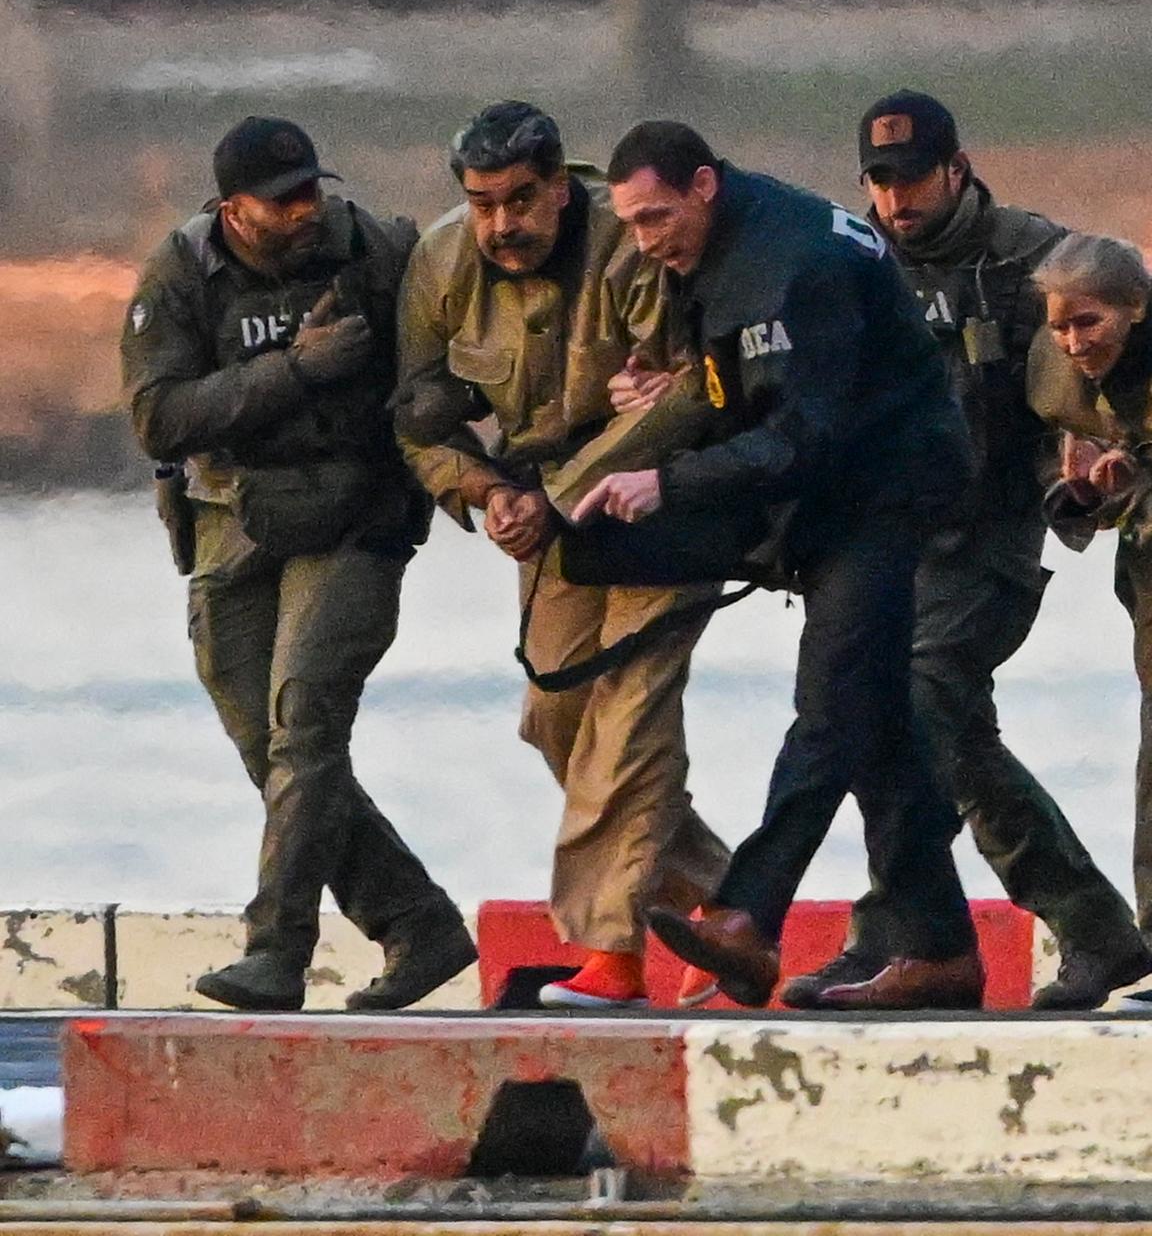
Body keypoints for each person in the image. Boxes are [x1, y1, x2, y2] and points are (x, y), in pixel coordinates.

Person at [581, 120, 982, 1010]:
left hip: (886, 488)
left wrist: (670, 481)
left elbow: (808, 436)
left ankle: (746, 917)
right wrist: (666, 394)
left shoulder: (797, 264)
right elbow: (743, 391)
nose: (646, 242)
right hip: (832, 496)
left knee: (831, 701)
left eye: (656, 218)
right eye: (632, 226)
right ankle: (943, 949)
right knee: (875, 726)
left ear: (703, 186)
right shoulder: (713, 253)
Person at [768, 92, 1148, 1009]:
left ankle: (954, 930)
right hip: (882, 542)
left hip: (990, 536)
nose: (897, 199)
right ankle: (954, 933)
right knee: (886, 716)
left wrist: (1092, 459)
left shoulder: (1030, 258)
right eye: (880, 181)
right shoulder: (843, 265)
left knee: (924, 697)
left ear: (956, 168)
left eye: (913, 178)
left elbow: (1108, 354)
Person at [121, 115, 476, 1012]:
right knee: (265, 748)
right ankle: (417, 923)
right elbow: (160, 419)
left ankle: (276, 951)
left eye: (312, 189)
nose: (305, 209)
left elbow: (446, 363)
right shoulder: (178, 273)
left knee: (305, 726)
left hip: (355, 518)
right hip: (230, 520)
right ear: (230, 208)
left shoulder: (381, 250)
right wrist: (296, 368)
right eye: (281, 201)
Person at [392, 101, 730, 1009]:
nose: (502, 224)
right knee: (558, 717)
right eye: (481, 203)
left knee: (632, 719)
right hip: (542, 520)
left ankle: (611, 958)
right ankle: (728, 903)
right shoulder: (441, 262)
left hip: (662, 505)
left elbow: (690, 393)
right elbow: (418, 416)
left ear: (559, 184)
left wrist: (558, 492)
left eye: (520, 200)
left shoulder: (631, 243)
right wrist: (485, 491)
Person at [1029, 232, 1152, 1007]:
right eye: (1061, 326)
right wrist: (1088, 492)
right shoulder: (1060, 381)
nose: (1074, 341)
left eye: (1091, 322)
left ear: (1137, 309)